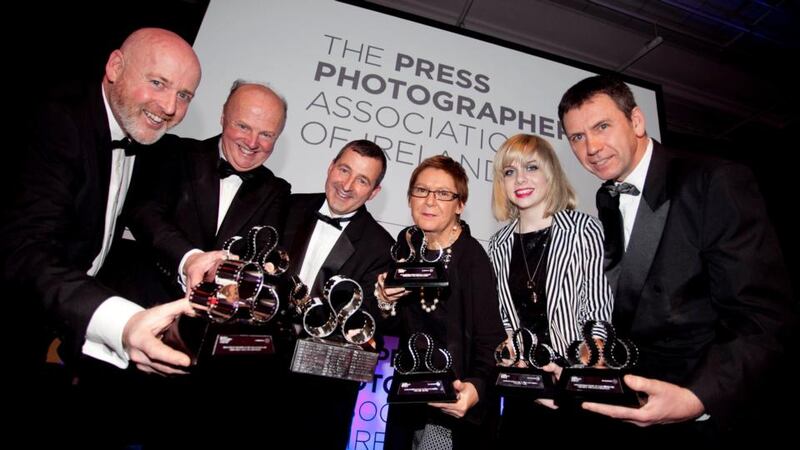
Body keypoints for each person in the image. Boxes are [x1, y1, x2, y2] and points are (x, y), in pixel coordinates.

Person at [557, 74, 794, 442]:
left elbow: (762, 317)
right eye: (577, 137)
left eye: (602, 126)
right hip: (634, 410)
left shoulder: (714, 179)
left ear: (636, 121)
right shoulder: (606, 200)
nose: (591, 147)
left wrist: (699, 397)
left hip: (705, 418)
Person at [3, 28, 202, 380]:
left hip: (58, 321)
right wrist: (123, 323)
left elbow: (144, 214)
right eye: (158, 82)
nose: (170, 107)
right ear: (115, 66)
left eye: (184, 94)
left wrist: (192, 259)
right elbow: (27, 250)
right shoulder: (57, 122)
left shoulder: (141, 136)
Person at [487, 133, 613, 444]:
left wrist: (576, 372)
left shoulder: (585, 229)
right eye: (509, 171)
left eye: (531, 167)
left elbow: (598, 310)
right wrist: (516, 363)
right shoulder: (498, 244)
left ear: (551, 173)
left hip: (576, 391)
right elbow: (504, 320)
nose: (520, 179)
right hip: (523, 390)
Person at [118, 80, 290, 304]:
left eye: (266, 134)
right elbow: (146, 215)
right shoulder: (173, 152)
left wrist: (221, 302)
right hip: (139, 303)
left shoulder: (276, 191)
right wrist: (191, 260)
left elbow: (256, 269)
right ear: (223, 118)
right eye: (243, 126)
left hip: (208, 322)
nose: (252, 142)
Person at [376, 155, 506, 450]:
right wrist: (385, 301)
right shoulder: (406, 247)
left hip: (454, 406)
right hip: (409, 401)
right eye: (421, 191)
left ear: (460, 205)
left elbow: (491, 339)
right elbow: (395, 327)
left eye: (443, 194)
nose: (430, 201)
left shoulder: (472, 259)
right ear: (410, 198)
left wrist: (476, 388)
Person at [281, 139, 394, 449]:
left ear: (374, 193)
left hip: (321, 394)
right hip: (257, 371)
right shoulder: (287, 206)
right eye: (344, 170)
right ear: (330, 167)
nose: (346, 185)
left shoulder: (381, 247)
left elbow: (368, 327)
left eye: (362, 180)